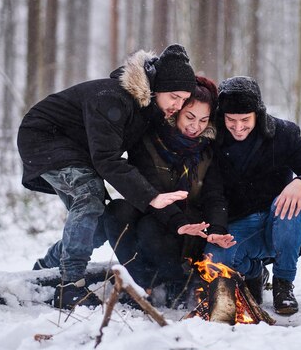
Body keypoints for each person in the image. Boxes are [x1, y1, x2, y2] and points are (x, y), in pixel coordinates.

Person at [17, 44, 197, 309]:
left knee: (99, 220)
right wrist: (151, 197)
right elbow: (106, 159)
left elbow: (137, 162)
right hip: (43, 138)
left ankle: (46, 267)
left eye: (184, 99)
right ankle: (70, 284)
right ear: (157, 88)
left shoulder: (145, 112)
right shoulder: (112, 97)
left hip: (78, 151)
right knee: (89, 198)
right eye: (175, 96)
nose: (178, 105)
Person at [204, 76, 301, 316]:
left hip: (282, 221)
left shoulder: (283, 134)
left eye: (245, 120)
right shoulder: (214, 141)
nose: (238, 127)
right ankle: (254, 271)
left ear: (258, 114)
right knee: (213, 258)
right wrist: (218, 229)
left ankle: (283, 283)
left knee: (289, 206)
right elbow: (214, 192)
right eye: (231, 120)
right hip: (242, 224)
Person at [104, 76, 235, 307]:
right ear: (175, 112)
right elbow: (149, 188)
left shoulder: (208, 149)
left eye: (204, 120)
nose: (196, 127)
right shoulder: (148, 139)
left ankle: (178, 281)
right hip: (153, 211)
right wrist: (175, 220)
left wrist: (217, 229)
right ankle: (139, 283)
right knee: (117, 212)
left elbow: (215, 195)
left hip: (190, 224)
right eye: (190, 117)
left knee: (152, 229)